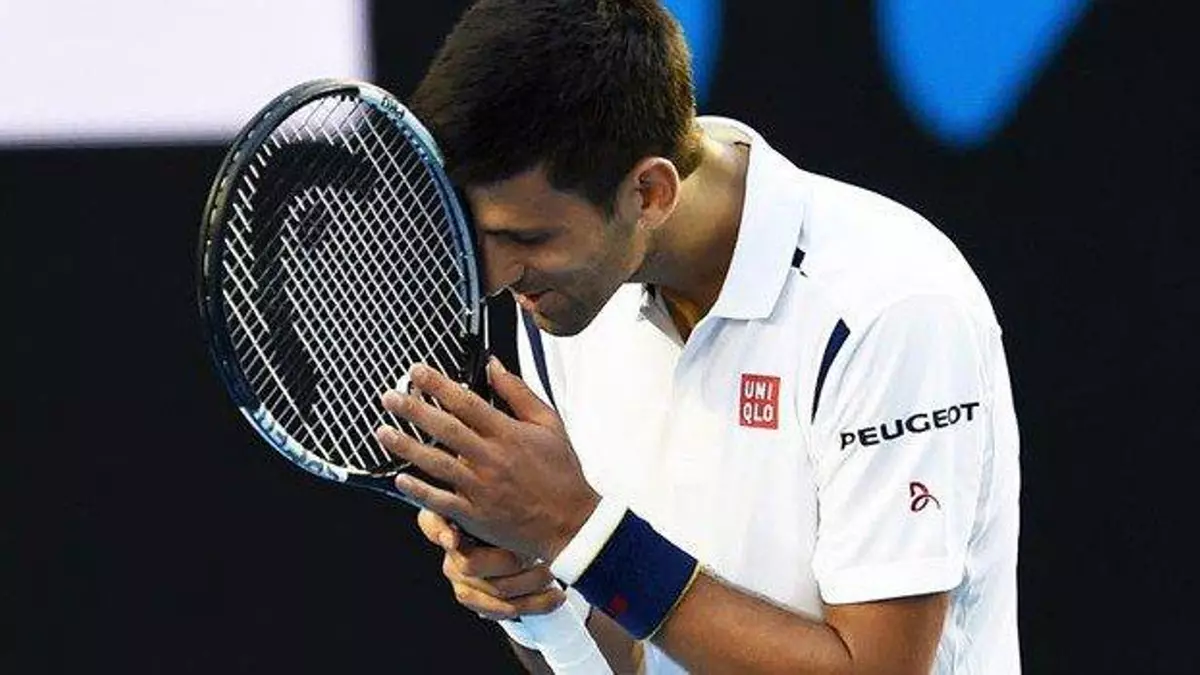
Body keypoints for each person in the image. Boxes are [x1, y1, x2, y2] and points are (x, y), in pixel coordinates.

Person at [372, 0, 1022, 672]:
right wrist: (540, 597)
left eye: (527, 238)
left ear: (650, 193)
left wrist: (576, 530)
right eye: (479, 236)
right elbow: (632, 654)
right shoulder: (563, 299)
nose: (494, 277)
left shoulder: (888, 308)